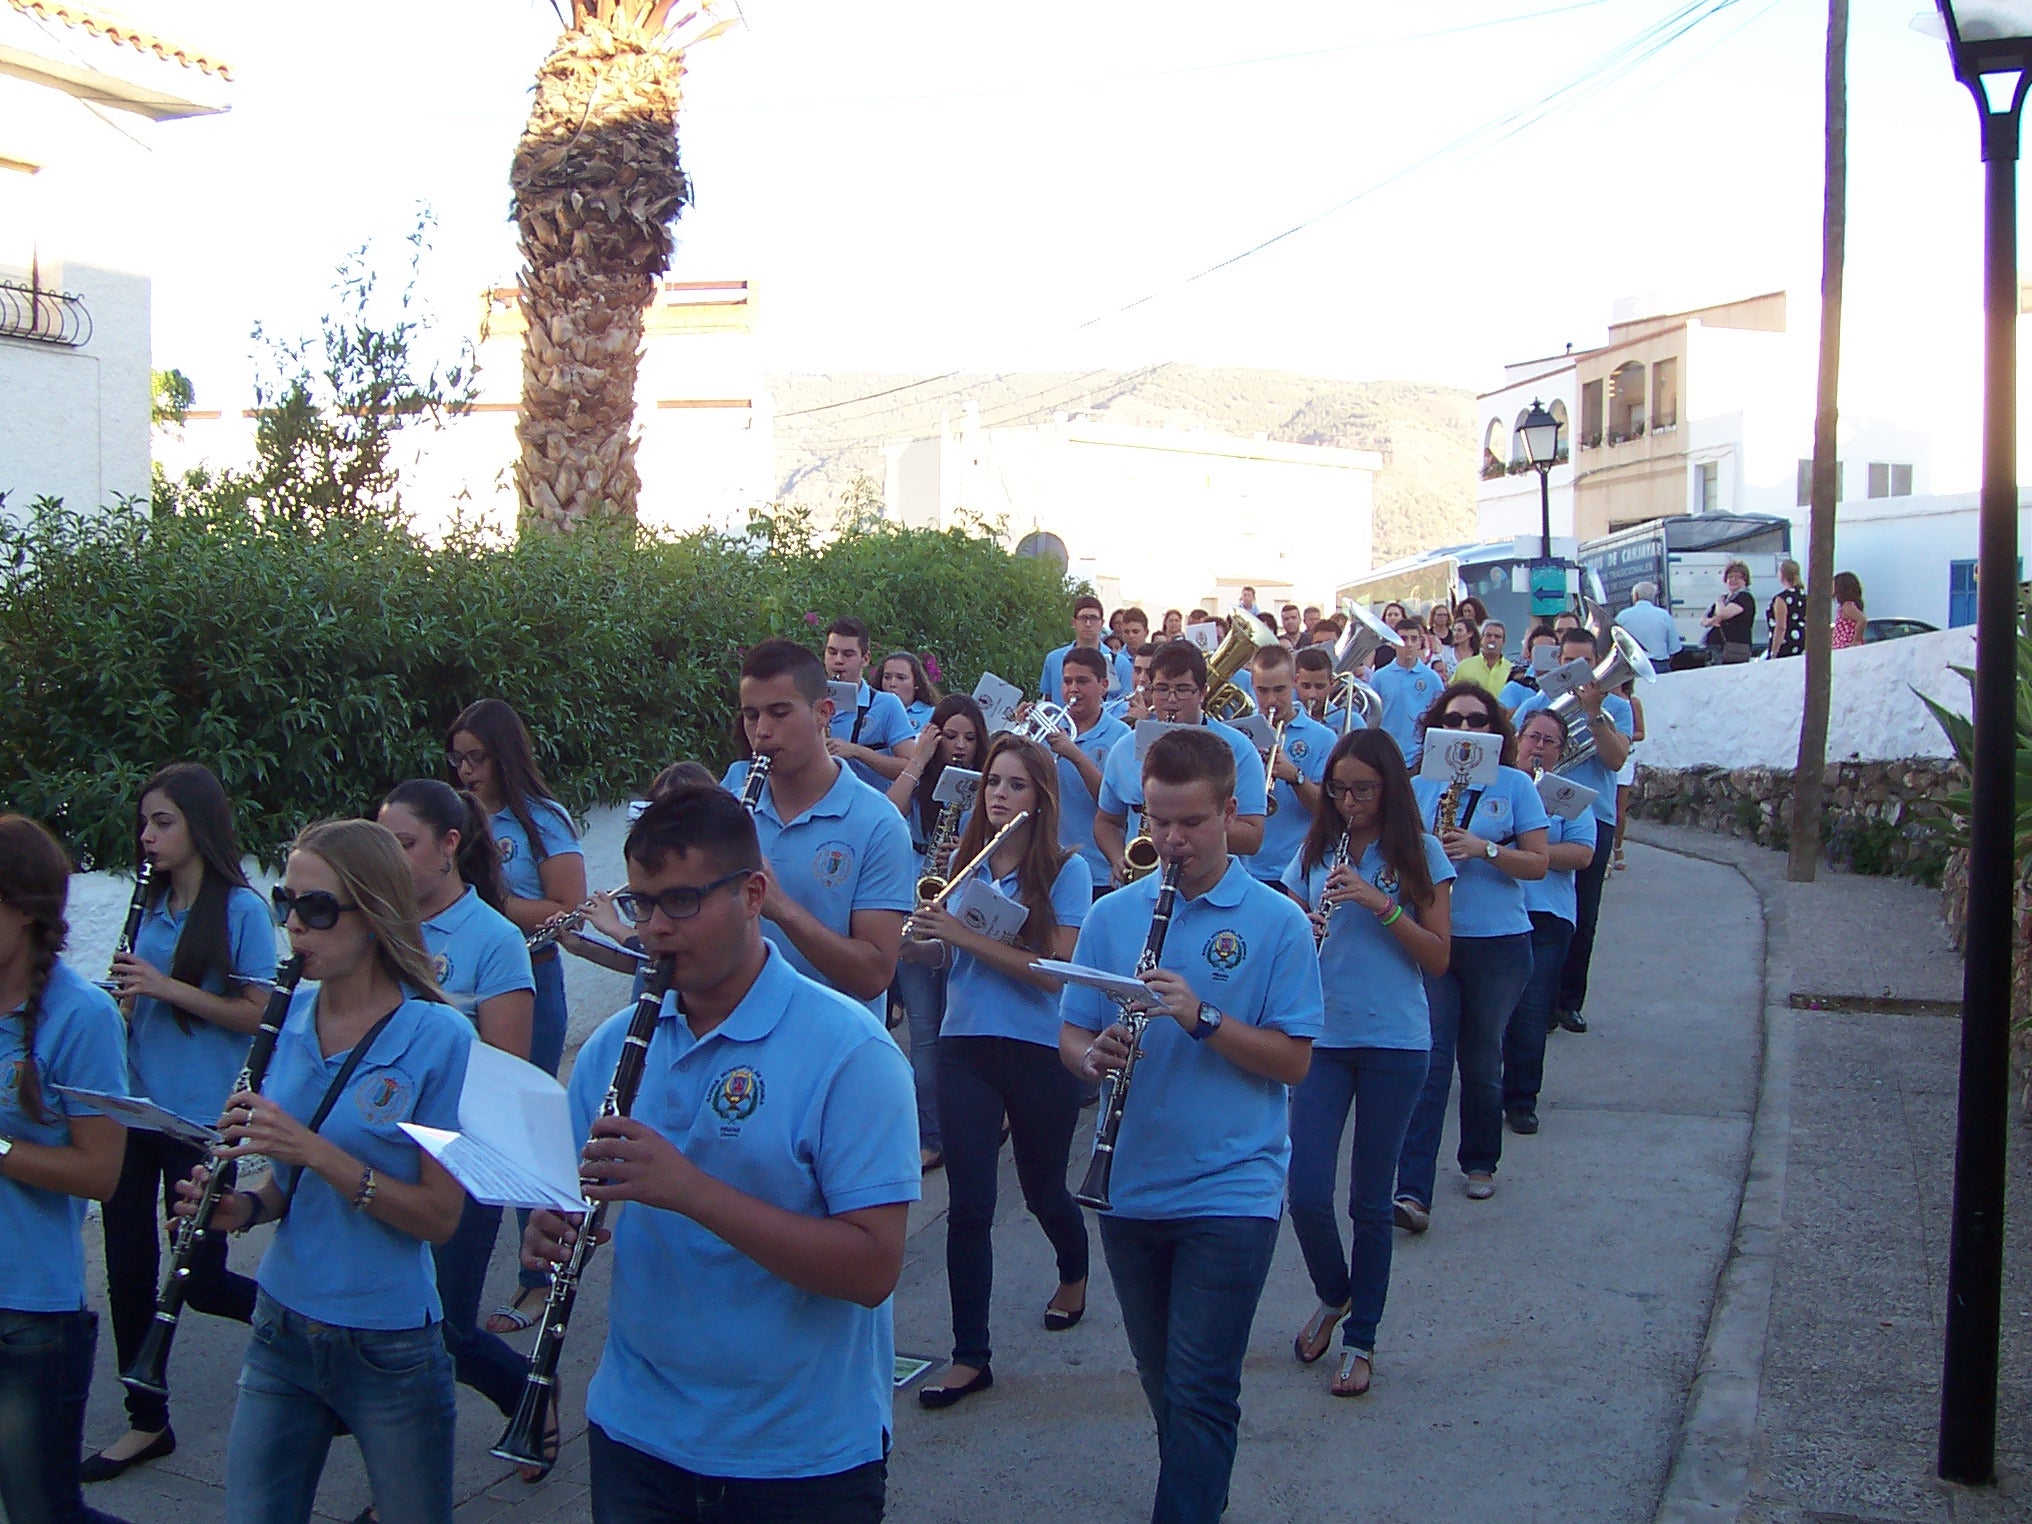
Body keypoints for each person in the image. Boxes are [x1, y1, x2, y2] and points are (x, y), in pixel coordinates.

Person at [524, 785, 918, 1522]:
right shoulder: (611, 1049)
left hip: (799, 1454)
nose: (653, 929)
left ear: (752, 894)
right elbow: (568, 1197)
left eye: (680, 901)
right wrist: (550, 1225)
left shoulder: (851, 1053)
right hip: (638, 1432)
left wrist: (690, 1190)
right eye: (641, 904)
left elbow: (872, 1270)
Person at [1058, 728, 1321, 1523]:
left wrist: (1202, 1017)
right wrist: (1092, 1056)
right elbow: (1072, 1030)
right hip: (1131, 1183)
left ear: (1231, 813)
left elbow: (1293, 1062)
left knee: (1202, 1386)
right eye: (1158, 820)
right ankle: (1198, 1494)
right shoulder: (1114, 914)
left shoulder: (1277, 921)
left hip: (1232, 1187)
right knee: (1163, 1380)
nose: (1171, 840)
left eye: (1191, 822)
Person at [184, 818, 472, 1524]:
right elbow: (285, 1187)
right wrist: (244, 1209)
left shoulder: (439, 1037)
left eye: (316, 909)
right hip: (281, 1321)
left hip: (387, 1340)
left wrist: (315, 1152)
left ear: (372, 915)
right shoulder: (287, 1017)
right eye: (286, 903)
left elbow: (440, 1218)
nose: (293, 927)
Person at [89, 763, 278, 1482]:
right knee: (128, 1267)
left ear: (199, 824)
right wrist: (122, 1007)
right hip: (134, 1105)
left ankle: (306, 1331)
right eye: (144, 823)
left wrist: (165, 987)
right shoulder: (151, 903)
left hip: (199, 1117)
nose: (147, 836)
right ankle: (146, 1419)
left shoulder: (241, 909)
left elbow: (258, 1013)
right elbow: (139, 1000)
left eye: (162, 822)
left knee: (199, 1277)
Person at [903, 737, 1092, 1408]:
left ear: (1041, 798)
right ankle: (969, 1356)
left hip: (1041, 1050)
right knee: (969, 1205)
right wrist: (920, 940)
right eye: (992, 784)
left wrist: (963, 936)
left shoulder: (1068, 870)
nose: (999, 796)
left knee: (1043, 1192)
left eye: (1016, 785)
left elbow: (1053, 974)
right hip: (966, 1047)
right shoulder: (965, 863)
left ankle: (1074, 1271)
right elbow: (945, 959)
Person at [376, 780, 545, 1473]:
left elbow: (507, 1069)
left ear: (449, 845)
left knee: (443, 1325)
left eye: (404, 843)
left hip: (463, 1156)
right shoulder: (377, 926)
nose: (390, 859)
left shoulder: (493, 938)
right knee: (395, 1321)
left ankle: (526, 1392)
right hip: (384, 1147)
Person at [1281, 732, 1452, 1399]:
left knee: (1370, 1201)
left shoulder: (1421, 853)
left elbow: (1437, 956)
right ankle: (1335, 1293)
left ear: (1389, 789)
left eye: (1363, 790)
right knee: (1305, 1191)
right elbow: (1286, 916)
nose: (1348, 802)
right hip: (1322, 1036)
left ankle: (1362, 1337)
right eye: (1339, 789)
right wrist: (1304, 924)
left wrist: (1381, 904)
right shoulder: (1317, 848)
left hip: (1394, 1041)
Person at [0, 814, 135, 1524]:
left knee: (41, 1511)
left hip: (27, 1309)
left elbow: (100, 1173)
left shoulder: (81, 1016)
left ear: (24, 911)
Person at [447, 698, 585, 1333]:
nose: (466, 771)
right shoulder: (454, 817)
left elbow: (569, 910)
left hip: (530, 978)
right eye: (458, 759)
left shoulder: (542, 820)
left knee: (520, 1124)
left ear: (505, 756)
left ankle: (540, 1279)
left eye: (477, 758)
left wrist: (489, 900)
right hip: (462, 987)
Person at [1394, 683, 1548, 1228]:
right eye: (1454, 720)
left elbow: (1538, 863)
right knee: (1431, 1061)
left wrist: (1485, 848)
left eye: (1477, 721)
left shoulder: (1515, 784)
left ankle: (1480, 1159)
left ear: (1494, 729)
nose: (1465, 730)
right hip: (1435, 938)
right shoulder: (1417, 786)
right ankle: (1412, 1190)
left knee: (1481, 1060)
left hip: (1498, 942)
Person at [723, 639, 915, 1026]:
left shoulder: (879, 823)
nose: (762, 732)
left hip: (833, 1043)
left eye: (779, 713)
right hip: (736, 1031)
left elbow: (874, 976)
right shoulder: (727, 807)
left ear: (823, 713)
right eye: (751, 715)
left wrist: (781, 908)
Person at [885, 695, 989, 1170]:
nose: (960, 747)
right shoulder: (920, 780)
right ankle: (930, 1133)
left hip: (966, 912)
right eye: (950, 736)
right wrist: (919, 759)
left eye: (969, 738)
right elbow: (887, 813)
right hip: (915, 902)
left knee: (963, 1028)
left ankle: (972, 1124)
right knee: (924, 1031)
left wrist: (968, 849)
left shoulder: (989, 787)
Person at [1512, 628, 1633, 1036]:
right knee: (1541, 909)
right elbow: (1515, 752)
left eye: (1585, 662)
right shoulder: (1536, 704)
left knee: (1584, 914)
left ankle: (1569, 1002)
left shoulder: (1617, 706)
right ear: (1559, 662)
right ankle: (1538, 1001)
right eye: (1568, 661)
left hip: (1593, 814)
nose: (1576, 668)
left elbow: (1615, 760)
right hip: (1540, 812)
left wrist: (1594, 713)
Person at [1498, 712, 1598, 1137]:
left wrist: (1530, 850)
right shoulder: (1497, 786)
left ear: (1560, 751)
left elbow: (1583, 853)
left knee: (1530, 1008)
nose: (1538, 746)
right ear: (1518, 739)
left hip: (1545, 914)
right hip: (1495, 911)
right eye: (1533, 737)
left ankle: (1521, 1099)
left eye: (1549, 741)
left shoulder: (1566, 794)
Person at [1094, 640, 1269, 882]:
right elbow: (1106, 822)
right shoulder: (1124, 748)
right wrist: (1119, 860)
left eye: (1183, 689)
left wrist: (1189, 824)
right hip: (1145, 883)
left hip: (1216, 884)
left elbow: (1253, 837)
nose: (1171, 700)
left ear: (1203, 693)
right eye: (1162, 689)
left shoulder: (1238, 748)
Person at [1239, 644, 1333, 890]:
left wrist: (1295, 776)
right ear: (1252, 685)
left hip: (1295, 870)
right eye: (1262, 690)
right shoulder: (1239, 733)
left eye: (1280, 689)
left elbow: (1328, 809)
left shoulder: (1323, 737)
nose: (1271, 700)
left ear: (1295, 682)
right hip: (1243, 867)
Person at [1045, 646, 1132, 896]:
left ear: (1104, 685)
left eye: (1082, 681)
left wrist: (1074, 755)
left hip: (1099, 871)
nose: (1073, 689)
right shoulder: (1048, 729)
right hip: (1049, 866)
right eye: (1067, 681)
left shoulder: (1121, 736)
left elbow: (1114, 804)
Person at [823, 618, 916, 787]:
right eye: (832, 652)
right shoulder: (809, 701)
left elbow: (911, 766)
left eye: (848, 654)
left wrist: (858, 752)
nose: (838, 660)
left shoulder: (887, 704)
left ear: (865, 659)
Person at [1370, 619, 1446, 766]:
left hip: (1419, 755)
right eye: (1403, 639)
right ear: (1393, 642)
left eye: (1414, 639)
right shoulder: (1379, 677)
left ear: (1420, 643)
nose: (1409, 644)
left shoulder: (1432, 678)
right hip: (1387, 753)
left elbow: (1439, 715)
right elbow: (1372, 717)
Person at [1041, 595, 1134, 705]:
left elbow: (1126, 704)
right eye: (1083, 618)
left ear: (1101, 623)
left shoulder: (1121, 663)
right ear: (1074, 622)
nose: (1088, 624)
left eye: (1093, 618)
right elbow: (1047, 702)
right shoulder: (1053, 659)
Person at [1616, 581, 1684, 671]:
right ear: (1654, 597)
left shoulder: (1622, 616)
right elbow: (1673, 648)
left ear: (1636, 596)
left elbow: (1615, 644)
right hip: (1659, 665)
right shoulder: (1664, 615)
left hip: (1632, 666)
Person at [1702, 561, 1757, 664]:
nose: (1733, 580)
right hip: (1715, 650)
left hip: (1733, 650)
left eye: (1737, 577)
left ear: (1745, 580)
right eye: (1730, 577)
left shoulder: (1744, 597)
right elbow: (1704, 621)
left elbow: (1723, 614)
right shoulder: (1724, 598)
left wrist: (1719, 604)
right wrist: (1715, 620)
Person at [878, 651, 942, 733]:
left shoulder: (932, 715)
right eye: (887, 677)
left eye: (901, 678)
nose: (892, 684)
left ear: (916, 682)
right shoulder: (871, 712)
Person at [1451, 619, 1512, 697]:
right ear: (1481, 639)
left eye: (1497, 636)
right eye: (1488, 635)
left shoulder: (1511, 671)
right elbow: (1451, 693)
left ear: (1503, 642)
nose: (1492, 639)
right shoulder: (1464, 667)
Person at [1765, 563, 1805, 660]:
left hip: (1785, 643)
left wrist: (1774, 652)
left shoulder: (1781, 598)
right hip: (1800, 640)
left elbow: (1781, 626)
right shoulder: (1802, 595)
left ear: (1782, 575)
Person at [1294, 646, 1336, 728]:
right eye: (1305, 686)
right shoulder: (1279, 717)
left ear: (1331, 683)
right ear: (1294, 681)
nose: (1312, 694)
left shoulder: (1352, 720)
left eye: (1320, 686)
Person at [1832, 571, 1866, 650]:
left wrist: (1856, 640)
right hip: (1842, 645)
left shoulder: (1847, 606)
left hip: (1846, 645)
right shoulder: (1844, 606)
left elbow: (1862, 620)